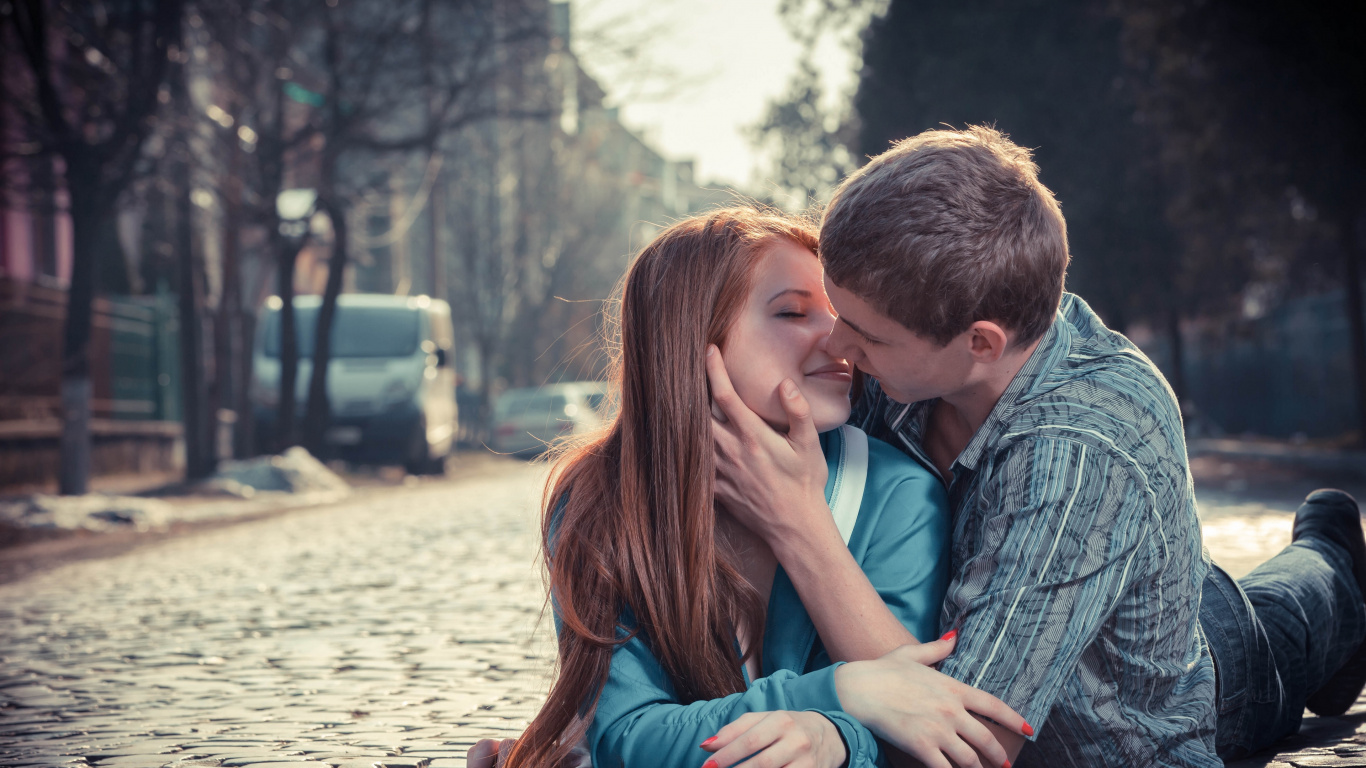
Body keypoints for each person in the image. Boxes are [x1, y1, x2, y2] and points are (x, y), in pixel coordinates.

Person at [708, 125, 1366, 767]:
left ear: (981, 344)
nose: (836, 345)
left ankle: (1333, 553)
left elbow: (976, 740)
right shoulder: (926, 319)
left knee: (1306, 601)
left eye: (865, 336)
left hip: (1211, 679)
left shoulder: (1079, 452)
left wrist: (798, 524)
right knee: (1247, 599)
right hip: (1142, 578)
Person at [467, 207, 1029, 768]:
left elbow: (917, 724)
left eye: (841, 317)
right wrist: (844, 693)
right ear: (688, 337)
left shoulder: (896, 492)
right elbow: (627, 738)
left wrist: (834, 739)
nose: (837, 341)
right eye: (791, 313)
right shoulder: (600, 496)